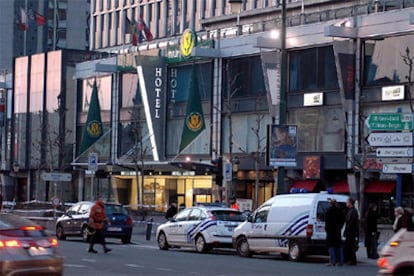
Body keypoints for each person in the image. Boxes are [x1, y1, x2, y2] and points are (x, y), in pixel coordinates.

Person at [325, 198, 345, 266]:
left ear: (331, 204)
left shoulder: (329, 211)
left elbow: (327, 222)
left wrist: (327, 229)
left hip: (331, 231)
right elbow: (343, 220)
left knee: (331, 246)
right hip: (337, 231)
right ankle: (340, 261)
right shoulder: (340, 211)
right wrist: (340, 227)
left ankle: (332, 261)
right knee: (338, 246)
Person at [343, 197, 359, 265]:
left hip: (351, 232)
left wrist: (347, 231)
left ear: (350, 203)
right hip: (351, 231)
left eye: (347, 202)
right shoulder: (351, 211)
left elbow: (350, 222)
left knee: (350, 246)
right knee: (349, 246)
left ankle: (352, 260)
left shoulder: (352, 211)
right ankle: (350, 259)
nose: (346, 204)